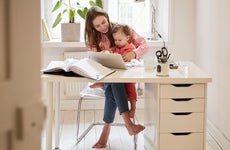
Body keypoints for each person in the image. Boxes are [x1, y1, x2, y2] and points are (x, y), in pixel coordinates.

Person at [84, 6, 148, 148]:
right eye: (97, 25)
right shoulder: (94, 39)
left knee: (113, 85)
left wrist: (135, 53)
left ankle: (105, 132)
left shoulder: (121, 29)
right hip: (107, 76)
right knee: (113, 83)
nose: (102, 27)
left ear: (107, 17)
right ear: (92, 27)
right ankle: (128, 124)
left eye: (104, 22)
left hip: (125, 75)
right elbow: (93, 61)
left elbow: (144, 44)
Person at [111, 24, 137, 118]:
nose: (117, 42)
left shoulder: (131, 49)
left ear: (127, 37)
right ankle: (124, 108)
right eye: (115, 40)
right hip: (119, 75)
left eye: (119, 40)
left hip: (129, 75)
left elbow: (135, 61)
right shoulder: (116, 49)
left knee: (131, 89)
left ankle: (133, 107)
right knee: (120, 90)